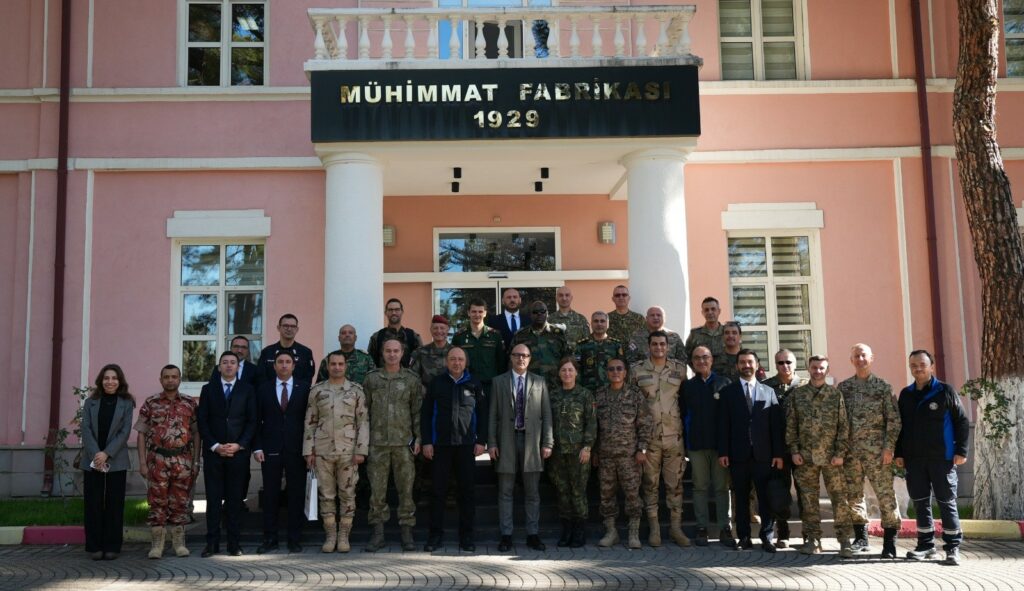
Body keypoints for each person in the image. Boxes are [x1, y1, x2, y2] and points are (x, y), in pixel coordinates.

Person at [895, 349, 970, 566]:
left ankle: (952, 548)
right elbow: (902, 427)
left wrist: (961, 451)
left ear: (931, 366)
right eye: (913, 365)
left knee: (947, 502)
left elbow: (962, 421)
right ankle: (926, 545)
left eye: (922, 364)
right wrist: (900, 453)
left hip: (942, 458)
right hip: (914, 459)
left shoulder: (945, 390)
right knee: (920, 503)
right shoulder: (906, 394)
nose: (917, 368)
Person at [837, 343, 902, 558]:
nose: (860, 359)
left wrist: (888, 448)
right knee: (854, 496)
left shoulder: (883, 387)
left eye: (863, 355)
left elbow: (893, 421)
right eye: (856, 355)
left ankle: (890, 543)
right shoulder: (844, 388)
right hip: (851, 454)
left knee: (885, 495)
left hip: (877, 453)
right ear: (851, 360)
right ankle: (861, 538)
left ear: (871, 358)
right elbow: (840, 421)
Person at [785, 355, 854, 557]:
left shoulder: (835, 395)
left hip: (832, 457)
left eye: (822, 368)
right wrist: (794, 451)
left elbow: (844, 427)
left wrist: (840, 453)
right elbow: (791, 426)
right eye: (814, 368)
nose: (818, 371)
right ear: (808, 369)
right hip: (806, 458)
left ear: (827, 370)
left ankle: (844, 541)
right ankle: (813, 540)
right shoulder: (798, 395)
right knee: (808, 499)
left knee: (839, 499)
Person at [717, 349, 785, 552]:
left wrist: (778, 454)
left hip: (763, 455)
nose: (746, 366)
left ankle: (767, 537)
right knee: (741, 499)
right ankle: (744, 537)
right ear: (737, 366)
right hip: (738, 455)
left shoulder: (768, 392)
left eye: (750, 362)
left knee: (765, 498)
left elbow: (776, 427)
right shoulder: (729, 393)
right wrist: (723, 452)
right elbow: (723, 425)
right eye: (742, 362)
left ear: (757, 365)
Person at [421, 347, 488, 553]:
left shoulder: (474, 383)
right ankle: (435, 535)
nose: (456, 362)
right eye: (452, 359)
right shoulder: (436, 383)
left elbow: (483, 414)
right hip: (441, 446)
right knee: (438, 492)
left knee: (467, 492)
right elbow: (425, 415)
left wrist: (481, 441)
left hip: (466, 447)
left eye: (460, 359)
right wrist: (426, 441)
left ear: (465, 362)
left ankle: (466, 536)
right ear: (446, 362)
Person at [488, 343, 553, 552]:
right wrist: (492, 443)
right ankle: (506, 535)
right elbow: (493, 416)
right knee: (505, 491)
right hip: (506, 441)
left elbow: (547, 416)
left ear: (530, 358)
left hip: (532, 443)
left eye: (525, 355)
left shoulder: (540, 382)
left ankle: (532, 534)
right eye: (517, 355)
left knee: (532, 492)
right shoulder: (498, 382)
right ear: (511, 357)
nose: (521, 359)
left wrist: (547, 443)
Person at [304, 352, 369, 553]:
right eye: (333, 364)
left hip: (348, 452)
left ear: (345, 367)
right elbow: (310, 422)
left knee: (348, 493)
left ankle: (343, 535)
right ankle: (330, 535)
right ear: (328, 366)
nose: (337, 367)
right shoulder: (317, 391)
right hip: (323, 451)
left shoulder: (356, 391)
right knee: (326, 494)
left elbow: (363, 423)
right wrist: (308, 451)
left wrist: (361, 450)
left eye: (341, 364)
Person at [362, 339, 423, 552]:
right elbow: (364, 413)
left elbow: (417, 412)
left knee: (406, 490)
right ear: (382, 353)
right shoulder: (371, 379)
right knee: (377, 492)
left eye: (396, 351)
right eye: (388, 350)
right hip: (377, 444)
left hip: (403, 444)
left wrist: (419, 438)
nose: (392, 354)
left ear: (402, 352)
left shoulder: (412, 380)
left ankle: (407, 533)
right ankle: (378, 534)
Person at [630, 331, 690, 547]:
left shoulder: (679, 370)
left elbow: (686, 398)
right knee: (650, 484)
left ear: (667, 346)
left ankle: (676, 528)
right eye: (654, 344)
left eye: (662, 344)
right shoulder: (636, 371)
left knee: (675, 485)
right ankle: (654, 529)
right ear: (649, 346)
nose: (658, 347)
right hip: (649, 439)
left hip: (674, 437)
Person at [197, 351, 257, 557]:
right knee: (213, 501)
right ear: (219, 366)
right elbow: (202, 421)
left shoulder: (247, 390)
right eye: (225, 363)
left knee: (234, 501)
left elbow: (252, 421)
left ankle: (234, 544)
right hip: (214, 454)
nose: (229, 366)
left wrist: (239, 445)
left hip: (237, 454)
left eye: (233, 363)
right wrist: (214, 445)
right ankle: (212, 543)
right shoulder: (208, 389)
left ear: (238, 367)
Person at [135, 364, 198, 559]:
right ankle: (157, 543)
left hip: (183, 459)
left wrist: (195, 462)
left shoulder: (189, 403)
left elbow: (196, 434)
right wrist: (143, 463)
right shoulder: (151, 403)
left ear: (180, 380)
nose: (170, 380)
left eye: (174, 377)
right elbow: (141, 434)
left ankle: (179, 542)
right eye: (166, 377)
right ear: (160, 380)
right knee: (157, 501)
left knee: (180, 501)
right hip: (157, 459)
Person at [252, 351, 311, 554]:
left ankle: (295, 539)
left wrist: (309, 449)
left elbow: (310, 421)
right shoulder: (263, 389)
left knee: (296, 495)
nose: (284, 365)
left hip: (297, 449)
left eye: (288, 362)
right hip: (270, 450)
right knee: (270, 496)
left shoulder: (304, 388)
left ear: (294, 366)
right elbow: (256, 420)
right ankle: (270, 539)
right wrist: (257, 447)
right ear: (274, 366)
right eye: (280, 362)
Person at [594, 357, 652, 549]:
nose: (615, 372)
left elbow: (645, 423)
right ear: (606, 372)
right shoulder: (599, 395)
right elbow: (593, 427)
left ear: (626, 372)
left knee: (633, 495)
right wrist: (594, 451)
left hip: (630, 456)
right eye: (611, 369)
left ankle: (633, 534)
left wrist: (642, 449)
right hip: (606, 456)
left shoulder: (635, 394)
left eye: (619, 369)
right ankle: (611, 532)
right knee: (606, 495)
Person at [81, 364, 136, 560]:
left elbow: (124, 432)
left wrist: (107, 453)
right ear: (100, 381)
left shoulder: (127, 403)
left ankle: (112, 546)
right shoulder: (90, 402)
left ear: (120, 381)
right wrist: (97, 454)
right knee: (93, 503)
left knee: (114, 504)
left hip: (116, 459)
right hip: (92, 459)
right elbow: (85, 429)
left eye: (114, 378)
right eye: (106, 378)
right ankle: (94, 546)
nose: (110, 381)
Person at [680, 345, 733, 547]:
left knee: (721, 487)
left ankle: (724, 527)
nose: (701, 361)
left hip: (720, 447)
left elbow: (728, 418)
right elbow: (683, 415)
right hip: (696, 446)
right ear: (692, 362)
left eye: (705, 357)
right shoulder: (687, 387)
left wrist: (726, 446)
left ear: (711, 360)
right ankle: (701, 527)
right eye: (696, 358)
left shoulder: (724, 383)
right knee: (700, 487)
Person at [548, 357, 596, 548]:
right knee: (562, 491)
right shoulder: (552, 395)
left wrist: (587, 447)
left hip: (578, 453)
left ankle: (579, 531)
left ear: (576, 373)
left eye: (570, 370)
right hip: (557, 453)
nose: (567, 373)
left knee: (578, 492)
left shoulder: (585, 395)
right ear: (559, 374)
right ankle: (566, 529)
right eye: (563, 370)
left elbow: (591, 423)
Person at [762, 348, 806, 549]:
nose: (785, 366)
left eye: (788, 362)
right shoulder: (767, 387)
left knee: (805, 491)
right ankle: (783, 532)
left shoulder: (806, 386)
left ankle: (809, 533)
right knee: (779, 492)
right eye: (780, 363)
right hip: (779, 449)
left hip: (803, 449)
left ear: (795, 364)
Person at [452, 298, 507, 395]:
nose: (477, 315)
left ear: (485, 313)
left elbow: (501, 363)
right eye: (474, 311)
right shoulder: (459, 337)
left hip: (490, 387)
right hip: (466, 385)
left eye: (480, 311)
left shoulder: (495, 336)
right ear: (468, 313)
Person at [511, 301, 568, 388]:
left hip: (555, 386)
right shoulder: (520, 335)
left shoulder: (558, 334)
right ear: (530, 315)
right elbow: (512, 362)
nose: (539, 314)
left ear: (547, 313)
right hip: (529, 386)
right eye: (535, 312)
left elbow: (567, 360)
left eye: (542, 311)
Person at [257, 314, 316, 388]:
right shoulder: (267, 352)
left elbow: (308, 377)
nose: (289, 329)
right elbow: (261, 377)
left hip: (298, 396)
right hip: (271, 396)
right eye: (285, 326)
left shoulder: (305, 352)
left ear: (297, 329)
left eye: (293, 326)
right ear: (278, 328)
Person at [367, 298, 423, 368]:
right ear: (385, 313)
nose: (394, 313)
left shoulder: (412, 336)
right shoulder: (377, 337)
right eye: (390, 310)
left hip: (407, 378)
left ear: (402, 312)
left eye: (397, 310)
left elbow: (421, 362)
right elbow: (370, 363)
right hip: (383, 378)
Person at [410, 315, 453, 387]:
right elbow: (413, 377)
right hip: (426, 396)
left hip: (451, 396)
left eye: (442, 328)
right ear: (431, 330)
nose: (439, 331)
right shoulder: (420, 352)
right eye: (435, 328)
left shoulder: (455, 352)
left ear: (447, 330)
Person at [548, 286, 590, 352]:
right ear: (556, 298)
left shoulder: (581, 319)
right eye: (561, 295)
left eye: (567, 295)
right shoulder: (549, 320)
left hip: (576, 360)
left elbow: (587, 343)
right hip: (556, 360)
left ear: (571, 298)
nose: (564, 298)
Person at [684, 297, 725, 365]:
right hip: (703, 374)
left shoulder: (728, 332)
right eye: (706, 310)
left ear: (719, 311)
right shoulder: (695, 334)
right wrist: (697, 369)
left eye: (713, 309)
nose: (710, 312)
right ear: (702, 313)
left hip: (726, 374)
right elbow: (686, 356)